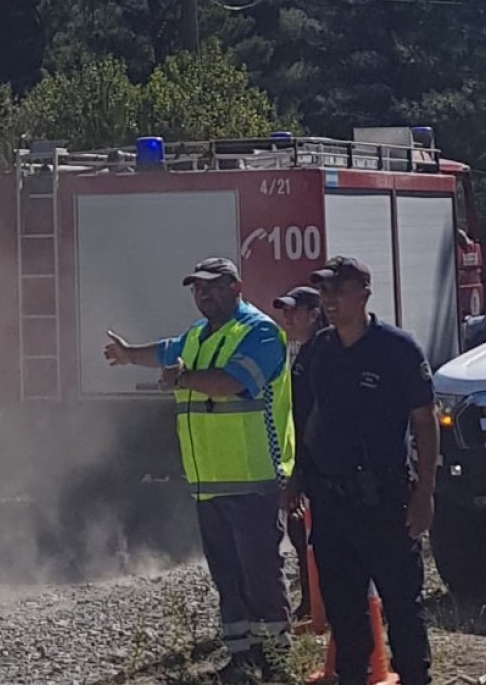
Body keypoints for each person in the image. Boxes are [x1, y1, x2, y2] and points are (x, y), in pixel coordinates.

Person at [105, 256, 294, 682]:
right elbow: (166, 351)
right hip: (209, 483)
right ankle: (241, 657)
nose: (203, 293)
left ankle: (276, 663)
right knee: (227, 575)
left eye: (211, 286)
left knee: (260, 575)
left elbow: (230, 383)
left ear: (236, 288)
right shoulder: (197, 335)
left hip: (252, 478)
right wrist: (129, 355)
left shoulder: (260, 332)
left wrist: (182, 380)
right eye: (197, 288)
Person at [286, 256, 438, 685]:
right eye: (325, 291)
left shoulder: (396, 348)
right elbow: (306, 417)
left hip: (386, 501)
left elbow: (425, 421)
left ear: (364, 293)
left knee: (403, 609)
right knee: (344, 614)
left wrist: (425, 493)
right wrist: (298, 476)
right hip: (333, 505)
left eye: (338, 290)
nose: (329, 300)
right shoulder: (319, 351)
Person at [269, 286, 325, 624]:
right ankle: (312, 602)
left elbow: (313, 417)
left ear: (313, 314)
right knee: (301, 534)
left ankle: (319, 605)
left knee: (311, 536)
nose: (286, 317)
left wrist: (303, 471)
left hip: (318, 466)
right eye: (284, 310)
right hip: (304, 462)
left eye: (294, 310)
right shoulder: (300, 352)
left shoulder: (319, 354)